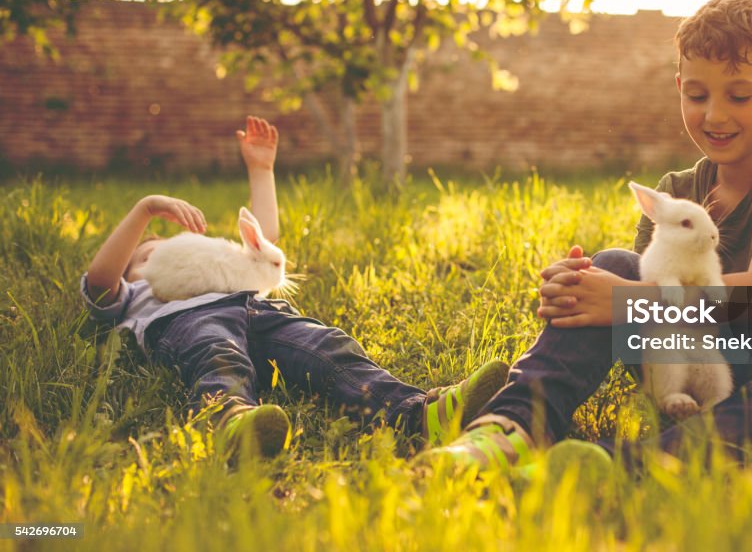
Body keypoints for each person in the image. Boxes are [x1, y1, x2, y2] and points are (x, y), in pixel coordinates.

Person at [421, 0, 752, 471]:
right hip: (695, 361)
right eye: (697, 95)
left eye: (738, 95)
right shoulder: (675, 192)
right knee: (613, 264)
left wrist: (623, 300)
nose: (714, 114)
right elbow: (648, 318)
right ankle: (507, 428)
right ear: (679, 88)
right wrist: (575, 288)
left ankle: (618, 465)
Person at [81, 116, 508, 458]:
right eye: (145, 254)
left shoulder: (223, 268)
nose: (156, 251)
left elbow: (263, 244)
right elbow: (101, 281)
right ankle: (228, 421)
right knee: (216, 354)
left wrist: (262, 170)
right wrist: (145, 211)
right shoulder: (138, 296)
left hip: (259, 313)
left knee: (328, 347)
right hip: (190, 322)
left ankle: (419, 413)